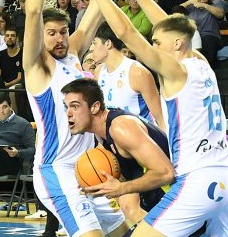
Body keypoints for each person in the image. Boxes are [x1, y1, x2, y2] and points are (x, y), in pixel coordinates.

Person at [76, 0, 228, 237]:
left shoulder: (174, 69)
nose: (153, 46)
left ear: (177, 44)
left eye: (157, 43)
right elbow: (167, 25)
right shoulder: (200, 60)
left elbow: (127, 33)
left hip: (199, 179)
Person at [23, 0, 129, 237]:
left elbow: (99, 4)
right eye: (51, 33)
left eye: (62, 32)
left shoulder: (71, 54)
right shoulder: (37, 67)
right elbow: (34, 9)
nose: (59, 38)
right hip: (58, 171)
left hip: (91, 166)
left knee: (126, 231)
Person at [62, 78, 173, 224]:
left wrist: (121, 188)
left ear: (94, 107)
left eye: (75, 107)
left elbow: (166, 173)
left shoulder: (121, 128)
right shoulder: (102, 134)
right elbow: (130, 175)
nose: (68, 113)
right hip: (162, 205)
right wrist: (97, 185)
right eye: (66, 107)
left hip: (179, 203)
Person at [93, 22, 162, 127]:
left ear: (108, 43)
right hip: (113, 139)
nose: (92, 49)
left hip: (141, 138)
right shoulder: (98, 72)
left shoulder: (136, 72)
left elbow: (160, 117)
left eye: (95, 43)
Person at [181, 0, 225, 66]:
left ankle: (205, 67)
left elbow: (221, 14)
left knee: (207, 40)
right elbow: (175, 11)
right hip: (193, 37)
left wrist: (204, 5)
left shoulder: (213, 6)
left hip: (210, 36)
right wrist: (189, 2)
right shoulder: (190, 8)